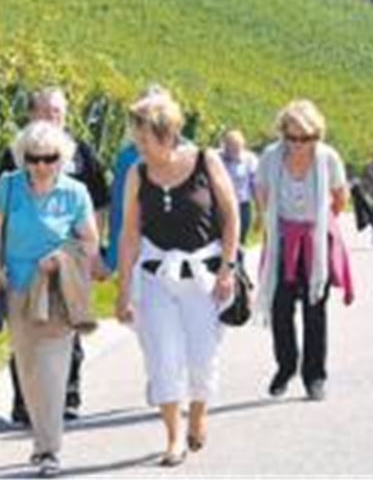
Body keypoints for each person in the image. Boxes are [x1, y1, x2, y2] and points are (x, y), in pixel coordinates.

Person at [114, 92, 240, 467]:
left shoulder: (206, 161)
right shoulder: (138, 173)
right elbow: (129, 233)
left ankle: (198, 412)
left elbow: (232, 217)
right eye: (136, 140)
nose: (140, 148)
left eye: (145, 140)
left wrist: (228, 269)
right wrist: (123, 290)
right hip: (155, 277)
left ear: (167, 135)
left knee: (202, 356)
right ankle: (173, 438)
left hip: (203, 276)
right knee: (161, 356)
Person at [0, 121, 100, 478]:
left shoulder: (75, 192)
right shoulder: (10, 186)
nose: (41, 166)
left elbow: (90, 241)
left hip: (58, 290)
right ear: (23, 158)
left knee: (54, 367)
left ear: (60, 158)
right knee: (29, 367)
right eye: (34, 158)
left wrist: (62, 257)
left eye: (49, 158)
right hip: (19, 286)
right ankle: (41, 439)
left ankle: (49, 449)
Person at [0, 87, 109, 425]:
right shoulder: (15, 155)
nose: (53, 118)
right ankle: (25, 403)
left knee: (68, 327)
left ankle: (67, 398)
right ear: (31, 115)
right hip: (24, 261)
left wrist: (93, 253)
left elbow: (101, 202)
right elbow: (0, 209)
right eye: (46, 112)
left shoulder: (81, 154)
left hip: (68, 260)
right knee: (25, 332)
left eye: (58, 112)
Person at [255, 100, 352, 402]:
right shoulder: (271, 158)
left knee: (315, 309)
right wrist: (272, 224)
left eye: (306, 138)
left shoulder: (328, 158)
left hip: (315, 239)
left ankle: (315, 376)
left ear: (317, 135)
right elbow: (261, 193)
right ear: (282, 133)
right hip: (283, 238)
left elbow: (339, 197)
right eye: (292, 138)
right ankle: (286, 366)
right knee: (280, 307)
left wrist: (322, 224)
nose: (299, 145)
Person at [105, 85, 168, 274]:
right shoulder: (127, 156)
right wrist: (114, 255)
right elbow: (119, 208)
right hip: (138, 248)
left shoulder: (187, 154)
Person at [219, 129, 258, 247]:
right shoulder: (216, 158)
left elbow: (255, 185)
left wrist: (260, 212)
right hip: (221, 205)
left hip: (242, 205)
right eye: (229, 147)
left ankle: (239, 263)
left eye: (237, 147)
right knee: (221, 239)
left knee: (240, 239)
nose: (233, 151)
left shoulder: (250, 159)